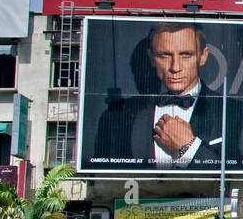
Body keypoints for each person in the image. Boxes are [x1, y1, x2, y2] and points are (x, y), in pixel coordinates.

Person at [93, 23, 224, 168]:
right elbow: (99, 177)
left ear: (203, 56)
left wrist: (188, 150)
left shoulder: (233, 114)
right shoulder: (115, 117)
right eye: (165, 55)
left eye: (185, 55)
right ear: (151, 57)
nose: (175, 67)